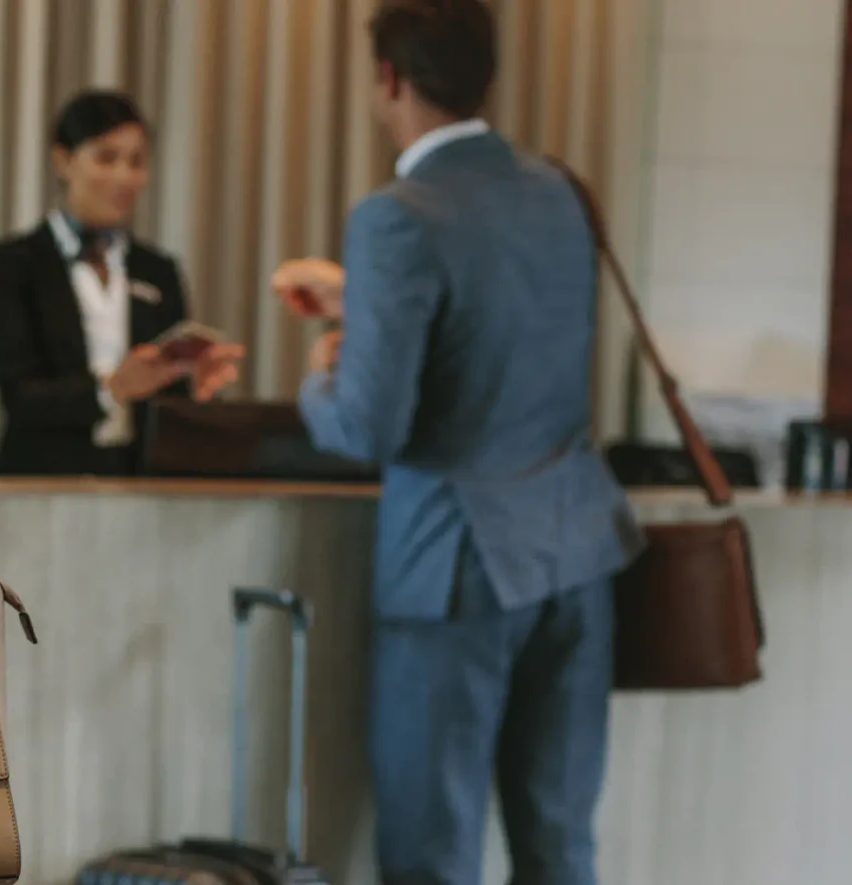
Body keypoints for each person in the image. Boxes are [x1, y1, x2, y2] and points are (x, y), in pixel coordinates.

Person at [271, 1, 641, 883]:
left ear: (390, 78)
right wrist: (364, 303)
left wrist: (322, 373)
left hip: (458, 567)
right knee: (560, 849)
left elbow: (368, 426)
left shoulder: (397, 214)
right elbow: (498, 334)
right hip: (577, 556)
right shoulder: (558, 190)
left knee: (434, 859)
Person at [0, 91, 244, 476]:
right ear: (63, 161)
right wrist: (113, 389)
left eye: (136, 161)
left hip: (138, 482)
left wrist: (193, 385)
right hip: (40, 479)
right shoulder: (14, 263)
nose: (125, 177)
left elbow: (169, 402)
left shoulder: (158, 270)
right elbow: (19, 394)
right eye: (106, 158)